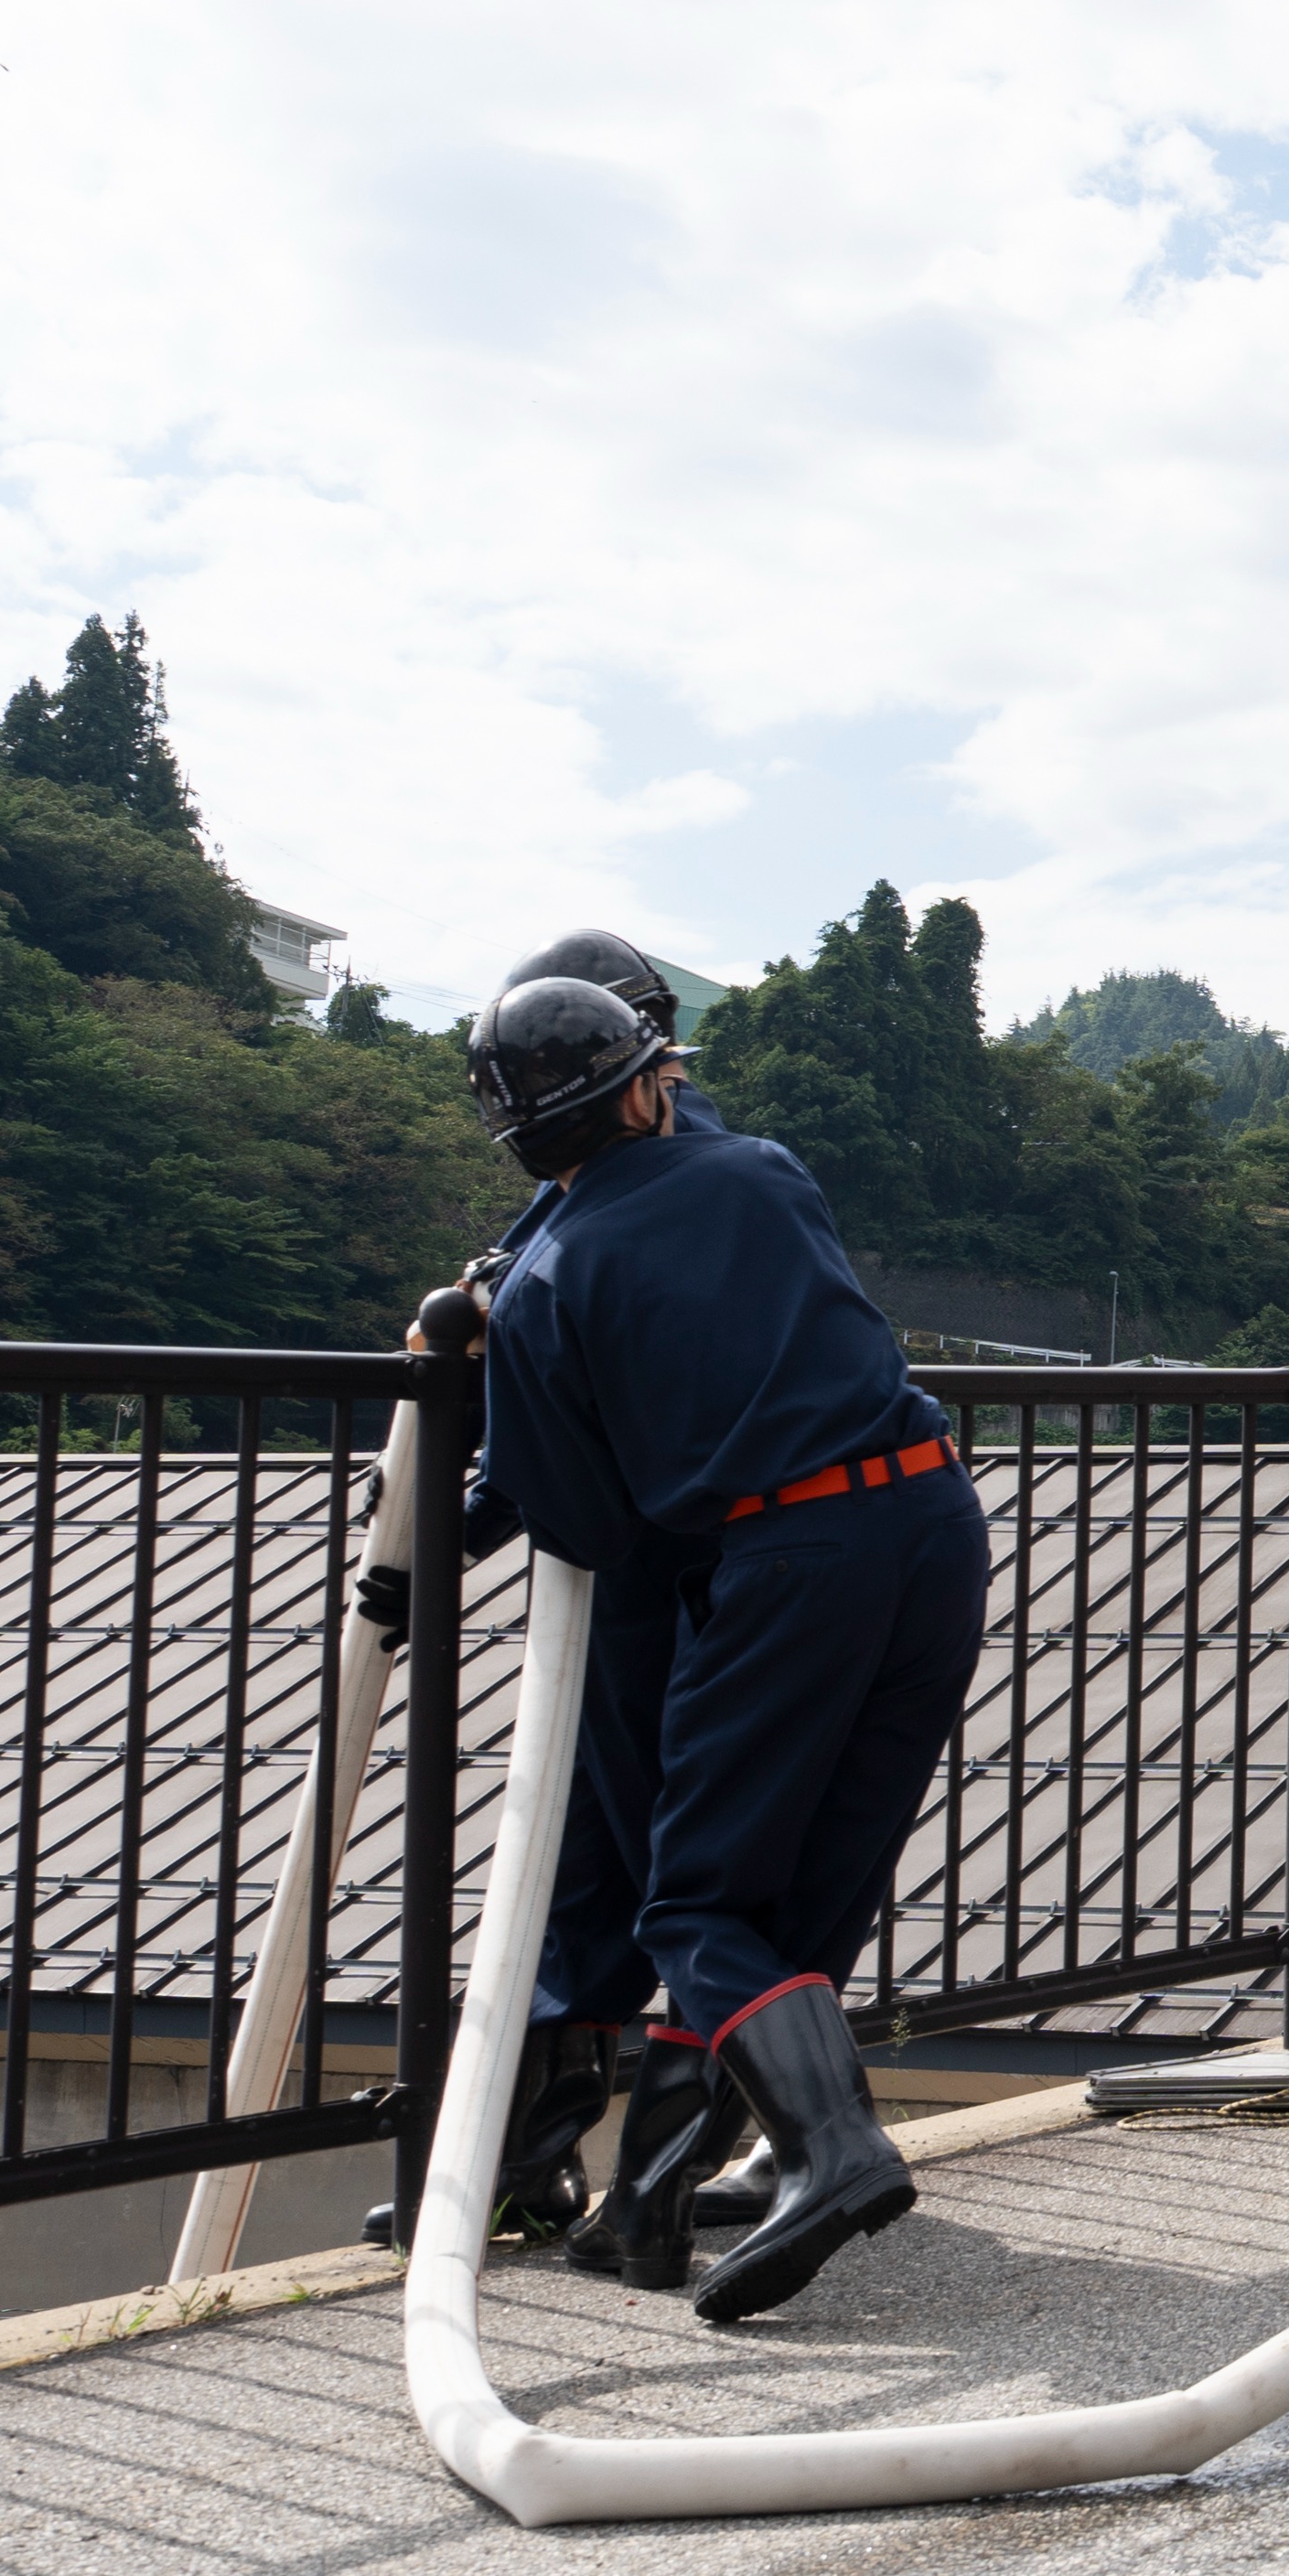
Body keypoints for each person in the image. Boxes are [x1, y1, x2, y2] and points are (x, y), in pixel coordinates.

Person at [466, 976, 991, 2323]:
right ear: (649, 1083)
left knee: (696, 1902)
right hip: (933, 1518)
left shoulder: (535, 1290)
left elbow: (583, 1522)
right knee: (814, 1882)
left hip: (788, 1558)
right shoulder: (763, 1171)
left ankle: (832, 2148)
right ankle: (649, 2206)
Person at [357, 934, 740, 2251]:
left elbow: (570, 1351)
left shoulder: (679, 1165)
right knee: (613, 1853)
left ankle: (618, 2163)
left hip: (675, 1562)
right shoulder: (676, 1162)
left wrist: (458, 1525)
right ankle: (557, 2154)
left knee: (645, 1855)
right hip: (655, 1553)